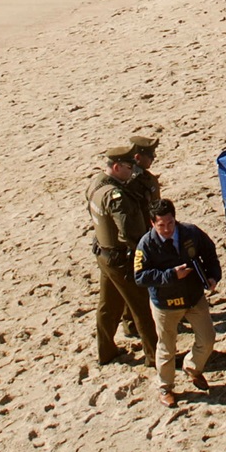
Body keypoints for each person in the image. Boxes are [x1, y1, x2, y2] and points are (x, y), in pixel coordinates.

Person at [134, 199, 222, 408]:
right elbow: (140, 276)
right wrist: (171, 275)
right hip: (165, 304)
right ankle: (165, 387)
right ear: (152, 223)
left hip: (193, 298)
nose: (167, 229)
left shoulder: (191, 233)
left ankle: (192, 367)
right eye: (161, 225)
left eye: (170, 223)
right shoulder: (146, 244)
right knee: (167, 348)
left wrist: (213, 276)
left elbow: (209, 252)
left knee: (207, 339)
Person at [87, 145, 158, 367]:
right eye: (128, 167)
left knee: (108, 306)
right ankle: (155, 356)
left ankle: (106, 351)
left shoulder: (96, 184)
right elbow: (128, 232)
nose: (132, 171)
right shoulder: (117, 197)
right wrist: (143, 252)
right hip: (120, 259)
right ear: (117, 167)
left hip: (104, 254)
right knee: (142, 307)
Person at [118, 134, 162, 338]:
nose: (153, 158)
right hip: (138, 238)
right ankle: (132, 323)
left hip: (150, 232)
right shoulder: (131, 183)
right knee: (135, 285)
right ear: (137, 157)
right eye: (150, 155)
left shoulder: (144, 178)